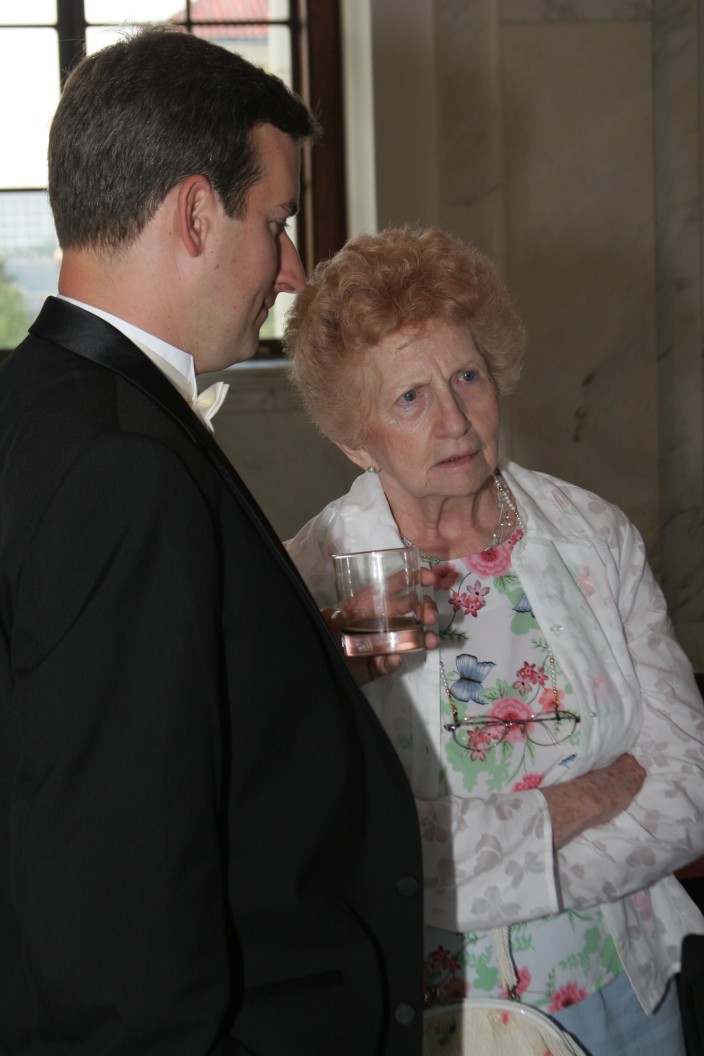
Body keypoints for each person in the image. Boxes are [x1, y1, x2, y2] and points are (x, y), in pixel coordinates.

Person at [0, 29, 425, 1056]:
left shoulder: (31, 401)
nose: (292, 270)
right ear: (196, 214)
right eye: (277, 222)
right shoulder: (124, 468)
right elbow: (121, 908)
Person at [284, 225, 704, 1056]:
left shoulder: (592, 535)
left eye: (467, 376)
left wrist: (485, 865)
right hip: (430, 1017)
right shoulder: (316, 582)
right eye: (410, 397)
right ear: (354, 438)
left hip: (622, 995)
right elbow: (346, 850)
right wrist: (570, 806)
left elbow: (688, 786)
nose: (455, 420)